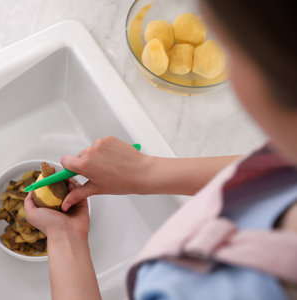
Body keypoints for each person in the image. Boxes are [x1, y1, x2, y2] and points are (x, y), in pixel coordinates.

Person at [24, 0, 297, 299]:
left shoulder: (207, 289)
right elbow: (274, 169)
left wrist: (65, 237)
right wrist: (145, 171)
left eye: (228, 47)